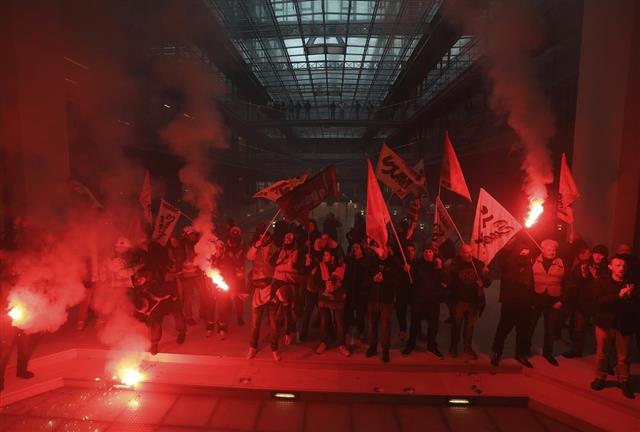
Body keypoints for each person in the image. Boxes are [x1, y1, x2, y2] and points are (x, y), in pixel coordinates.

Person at [590, 255, 636, 399]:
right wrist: (619, 295)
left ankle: (623, 381)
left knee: (623, 356)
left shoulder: (632, 283)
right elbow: (598, 301)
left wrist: (631, 296)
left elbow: (635, 306)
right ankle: (600, 377)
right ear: (610, 266)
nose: (621, 268)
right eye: (618, 265)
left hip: (624, 325)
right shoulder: (602, 281)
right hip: (605, 324)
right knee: (602, 353)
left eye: (623, 266)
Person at [491, 243, 534, 368]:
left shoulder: (530, 264)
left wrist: (532, 299)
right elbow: (502, 257)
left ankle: (520, 354)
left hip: (525, 303)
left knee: (523, 331)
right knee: (503, 329)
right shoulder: (508, 261)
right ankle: (497, 353)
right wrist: (507, 246)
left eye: (527, 251)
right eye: (522, 250)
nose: (525, 252)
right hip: (510, 302)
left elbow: (533, 282)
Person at [562, 244, 608, 358]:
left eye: (601, 255)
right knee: (579, 327)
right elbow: (575, 282)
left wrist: (596, 276)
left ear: (605, 256)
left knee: (603, 331)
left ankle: (604, 356)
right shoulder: (584, 264)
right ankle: (577, 349)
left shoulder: (608, 268)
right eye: (596, 254)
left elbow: (608, 285)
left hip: (599, 303)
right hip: (583, 302)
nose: (597, 257)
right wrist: (583, 275)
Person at [446, 244, 491, 359]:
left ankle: (467, 346)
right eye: (466, 252)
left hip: (473, 301)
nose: (468, 254)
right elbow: (447, 277)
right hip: (459, 300)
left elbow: (488, 281)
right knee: (457, 325)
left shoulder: (478, 264)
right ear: (461, 253)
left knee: (470, 326)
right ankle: (453, 347)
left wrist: (484, 282)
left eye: (470, 252)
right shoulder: (455, 263)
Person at [530, 239, 567, 366]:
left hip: (553, 301)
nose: (552, 252)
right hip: (537, 299)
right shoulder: (533, 261)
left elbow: (567, 283)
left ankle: (548, 353)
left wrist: (562, 300)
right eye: (549, 250)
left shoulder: (561, 263)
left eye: (554, 250)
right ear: (542, 250)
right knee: (530, 326)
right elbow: (529, 280)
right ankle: (525, 349)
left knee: (550, 329)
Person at [402, 245, 444, 357]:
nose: (428, 253)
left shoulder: (437, 265)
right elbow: (410, 281)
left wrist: (440, 269)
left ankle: (432, 346)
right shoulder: (416, 265)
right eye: (426, 251)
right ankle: (411, 344)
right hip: (418, 299)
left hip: (433, 300)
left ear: (433, 253)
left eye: (430, 251)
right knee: (415, 323)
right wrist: (407, 272)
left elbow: (443, 281)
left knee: (433, 325)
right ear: (423, 253)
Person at [246, 230, 280, 361]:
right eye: (261, 234)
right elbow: (249, 257)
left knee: (274, 323)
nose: (263, 237)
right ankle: (253, 347)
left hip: (270, 287)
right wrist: (255, 246)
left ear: (269, 236)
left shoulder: (274, 248)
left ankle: (274, 348)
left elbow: (276, 263)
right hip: (257, 288)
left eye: (265, 235)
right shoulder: (255, 247)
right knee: (255, 323)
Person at [313, 249, 350, 356]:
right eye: (324, 255)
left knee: (339, 322)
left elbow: (346, 281)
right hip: (324, 296)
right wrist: (326, 284)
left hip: (337, 297)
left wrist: (338, 285)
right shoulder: (320, 266)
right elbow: (315, 281)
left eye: (327, 255)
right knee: (324, 321)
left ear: (333, 256)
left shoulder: (341, 267)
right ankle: (323, 342)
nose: (325, 257)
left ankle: (341, 344)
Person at [271, 230, 304, 345]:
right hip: (279, 281)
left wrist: (289, 265)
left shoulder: (297, 252)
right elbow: (272, 262)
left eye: (290, 239)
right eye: (286, 239)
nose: (287, 240)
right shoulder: (280, 250)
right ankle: (279, 331)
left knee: (290, 308)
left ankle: (290, 332)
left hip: (291, 283)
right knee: (277, 307)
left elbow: (299, 266)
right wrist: (281, 258)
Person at [366, 247, 399, 363]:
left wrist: (385, 278)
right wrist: (372, 279)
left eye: (384, 248)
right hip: (373, 298)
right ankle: (373, 346)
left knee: (385, 326)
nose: (381, 251)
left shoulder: (393, 262)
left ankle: (385, 350)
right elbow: (366, 277)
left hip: (386, 300)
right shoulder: (372, 261)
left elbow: (397, 280)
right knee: (372, 324)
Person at [343, 242, 370, 344]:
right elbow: (346, 275)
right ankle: (346, 331)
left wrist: (365, 288)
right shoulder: (350, 261)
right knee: (348, 311)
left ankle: (361, 331)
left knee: (360, 314)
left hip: (361, 292)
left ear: (361, 250)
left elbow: (368, 276)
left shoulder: (365, 261)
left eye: (357, 247)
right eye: (353, 247)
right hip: (351, 291)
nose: (355, 249)